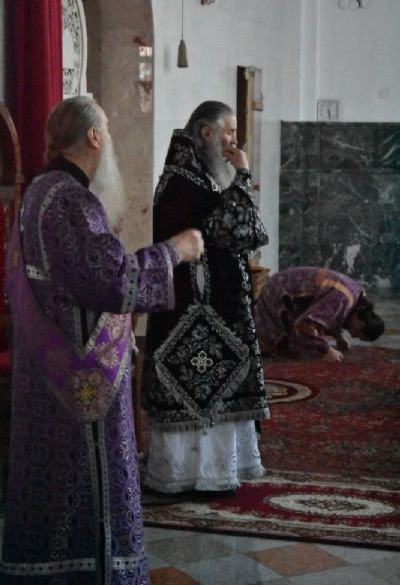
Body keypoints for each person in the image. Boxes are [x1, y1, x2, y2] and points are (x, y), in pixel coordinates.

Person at [0, 96, 204, 585]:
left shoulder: (39, 192)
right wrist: (175, 251)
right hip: (77, 377)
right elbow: (110, 280)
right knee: (83, 482)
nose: (110, 137)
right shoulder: (71, 199)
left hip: (44, 367)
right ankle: (94, 571)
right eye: (107, 129)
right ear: (93, 136)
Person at [142, 100, 270, 495]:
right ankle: (186, 474)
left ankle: (210, 472)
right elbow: (239, 232)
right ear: (205, 133)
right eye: (229, 132)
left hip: (210, 310)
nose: (234, 141)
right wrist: (243, 175)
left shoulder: (202, 178)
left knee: (216, 387)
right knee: (198, 388)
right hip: (193, 313)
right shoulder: (184, 183)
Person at [254, 266, 385, 361]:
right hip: (278, 290)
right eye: (358, 336)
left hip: (285, 284)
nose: (353, 336)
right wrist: (327, 350)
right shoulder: (341, 300)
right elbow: (304, 324)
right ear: (361, 324)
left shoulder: (356, 297)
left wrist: (338, 337)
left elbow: (334, 316)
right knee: (290, 347)